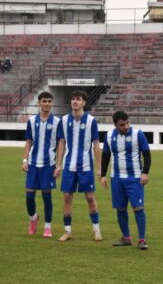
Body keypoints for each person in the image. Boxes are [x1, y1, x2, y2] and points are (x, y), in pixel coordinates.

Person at [54, 90, 102, 242]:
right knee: (67, 197)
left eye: (78, 99)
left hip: (86, 166)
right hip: (69, 166)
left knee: (89, 197)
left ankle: (96, 230)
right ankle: (67, 231)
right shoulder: (64, 120)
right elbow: (61, 142)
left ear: (84, 103)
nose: (75, 101)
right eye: (73, 99)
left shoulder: (91, 121)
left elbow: (96, 145)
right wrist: (58, 164)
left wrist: (99, 168)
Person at [100, 111, 151, 250]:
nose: (126, 126)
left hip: (134, 178)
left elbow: (147, 154)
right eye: (122, 125)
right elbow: (105, 156)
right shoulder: (109, 136)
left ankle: (142, 239)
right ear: (115, 125)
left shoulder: (138, 134)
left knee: (138, 208)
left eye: (127, 123)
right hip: (116, 178)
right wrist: (103, 175)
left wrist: (145, 172)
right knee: (120, 208)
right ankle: (126, 237)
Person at [22, 91, 60, 237]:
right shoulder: (32, 121)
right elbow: (28, 141)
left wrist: (58, 164)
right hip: (32, 163)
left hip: (48, 164)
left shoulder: (57, 122)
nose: (47, 104)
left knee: (46, 197)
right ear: (39, 103)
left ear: (52, 103)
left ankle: (48, 227)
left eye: (49, 101)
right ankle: (33, 218)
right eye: (44, 101)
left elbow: (60, 142)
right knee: (29, 197)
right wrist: (25, 160)